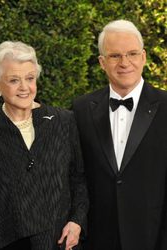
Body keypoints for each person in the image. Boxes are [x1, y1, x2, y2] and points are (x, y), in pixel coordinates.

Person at [0, 41, 89, 250]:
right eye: (14, 80)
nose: (24, 87)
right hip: (7, 243)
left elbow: (79, 179)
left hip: (60, 242)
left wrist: (77, 222)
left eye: (29, 78)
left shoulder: (64, 121)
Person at [72, 19, 167, 250]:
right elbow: (75, 174)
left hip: (154, 238)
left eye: (132, 54)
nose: (125, 63)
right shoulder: (81, 109)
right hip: (98, 239)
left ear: (143, 57)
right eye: (115, 56)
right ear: (102, 62)